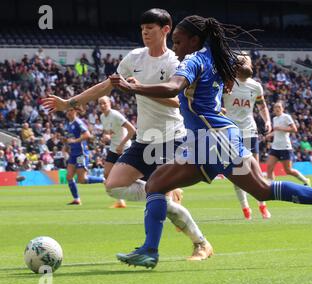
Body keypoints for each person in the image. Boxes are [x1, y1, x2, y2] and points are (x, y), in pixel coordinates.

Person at [109, 15, 312, 269]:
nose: (176, 48)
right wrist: (231, 75)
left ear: (194, 41)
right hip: (210, 140)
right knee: (163, 183)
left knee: (164, 184)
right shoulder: (214, 56)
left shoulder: (194, 61)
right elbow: (245, 68)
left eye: (179, 42)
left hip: (214, 139)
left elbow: (173, 87)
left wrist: (134, 88)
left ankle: (150, 250)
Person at [42, 8, 213, 261]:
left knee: (159, 199)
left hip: (171, 139)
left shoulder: (176, 62)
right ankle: (164, 194)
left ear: (166, 30)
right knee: (112, 185)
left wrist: (139, 89)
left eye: (150, 29)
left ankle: (200, 244)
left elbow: (179, 102)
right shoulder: (134, 58)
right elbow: (106, 86)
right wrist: (69, 103)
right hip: (144, 139)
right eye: (142, 29)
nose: (145, 33)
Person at [222, 54, 271, 220]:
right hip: (231, 133)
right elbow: (214, 103)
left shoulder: (256, 86)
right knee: (238, 173)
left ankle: (262, 205)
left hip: (250, 131)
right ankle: (246, 209)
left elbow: (261, 104)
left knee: (256, 171)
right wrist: (220, 112)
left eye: (248, 60)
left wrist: (268, 120)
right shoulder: (226, 83)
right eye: (243, 60)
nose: (246, 62)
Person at [99, 96, 136, 208]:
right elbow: (109, 132)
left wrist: (121, 145)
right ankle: (120, 201)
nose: (102, 106)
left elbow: (132, 130)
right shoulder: (102, 117)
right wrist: (106, 137)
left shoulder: (115, 115)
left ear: (109, 103)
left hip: (124, 148)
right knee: (107, 174)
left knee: (132, 176)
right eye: (100, 104)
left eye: (104, 103)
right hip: (113, 148)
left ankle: (166, 190)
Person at [63, 107, 105, 205]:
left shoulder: (78, 122)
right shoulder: (68, 124)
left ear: (75, 111)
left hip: (81, 154)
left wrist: (75, 141)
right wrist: (66, 144)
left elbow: (87, 135)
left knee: (82, 179)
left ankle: (103, 180)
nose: (68, 112)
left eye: (70, 110)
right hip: (73, 153)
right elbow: (69, 138)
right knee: (69, 176)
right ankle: (77, 199)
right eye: (67, 110)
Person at [266, 101, 311, 187]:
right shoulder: (274, 119)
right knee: (269, 167)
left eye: (279, 107)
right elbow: (276, 131)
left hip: (285, 147)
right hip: (275, 147)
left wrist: (281, 128)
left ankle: (305, 180)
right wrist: (269, 135)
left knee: (288, 170)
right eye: (275, 107)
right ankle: (270, 187)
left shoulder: (286, 117)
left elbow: (294, 129)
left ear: (282, 108)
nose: (277, 109)